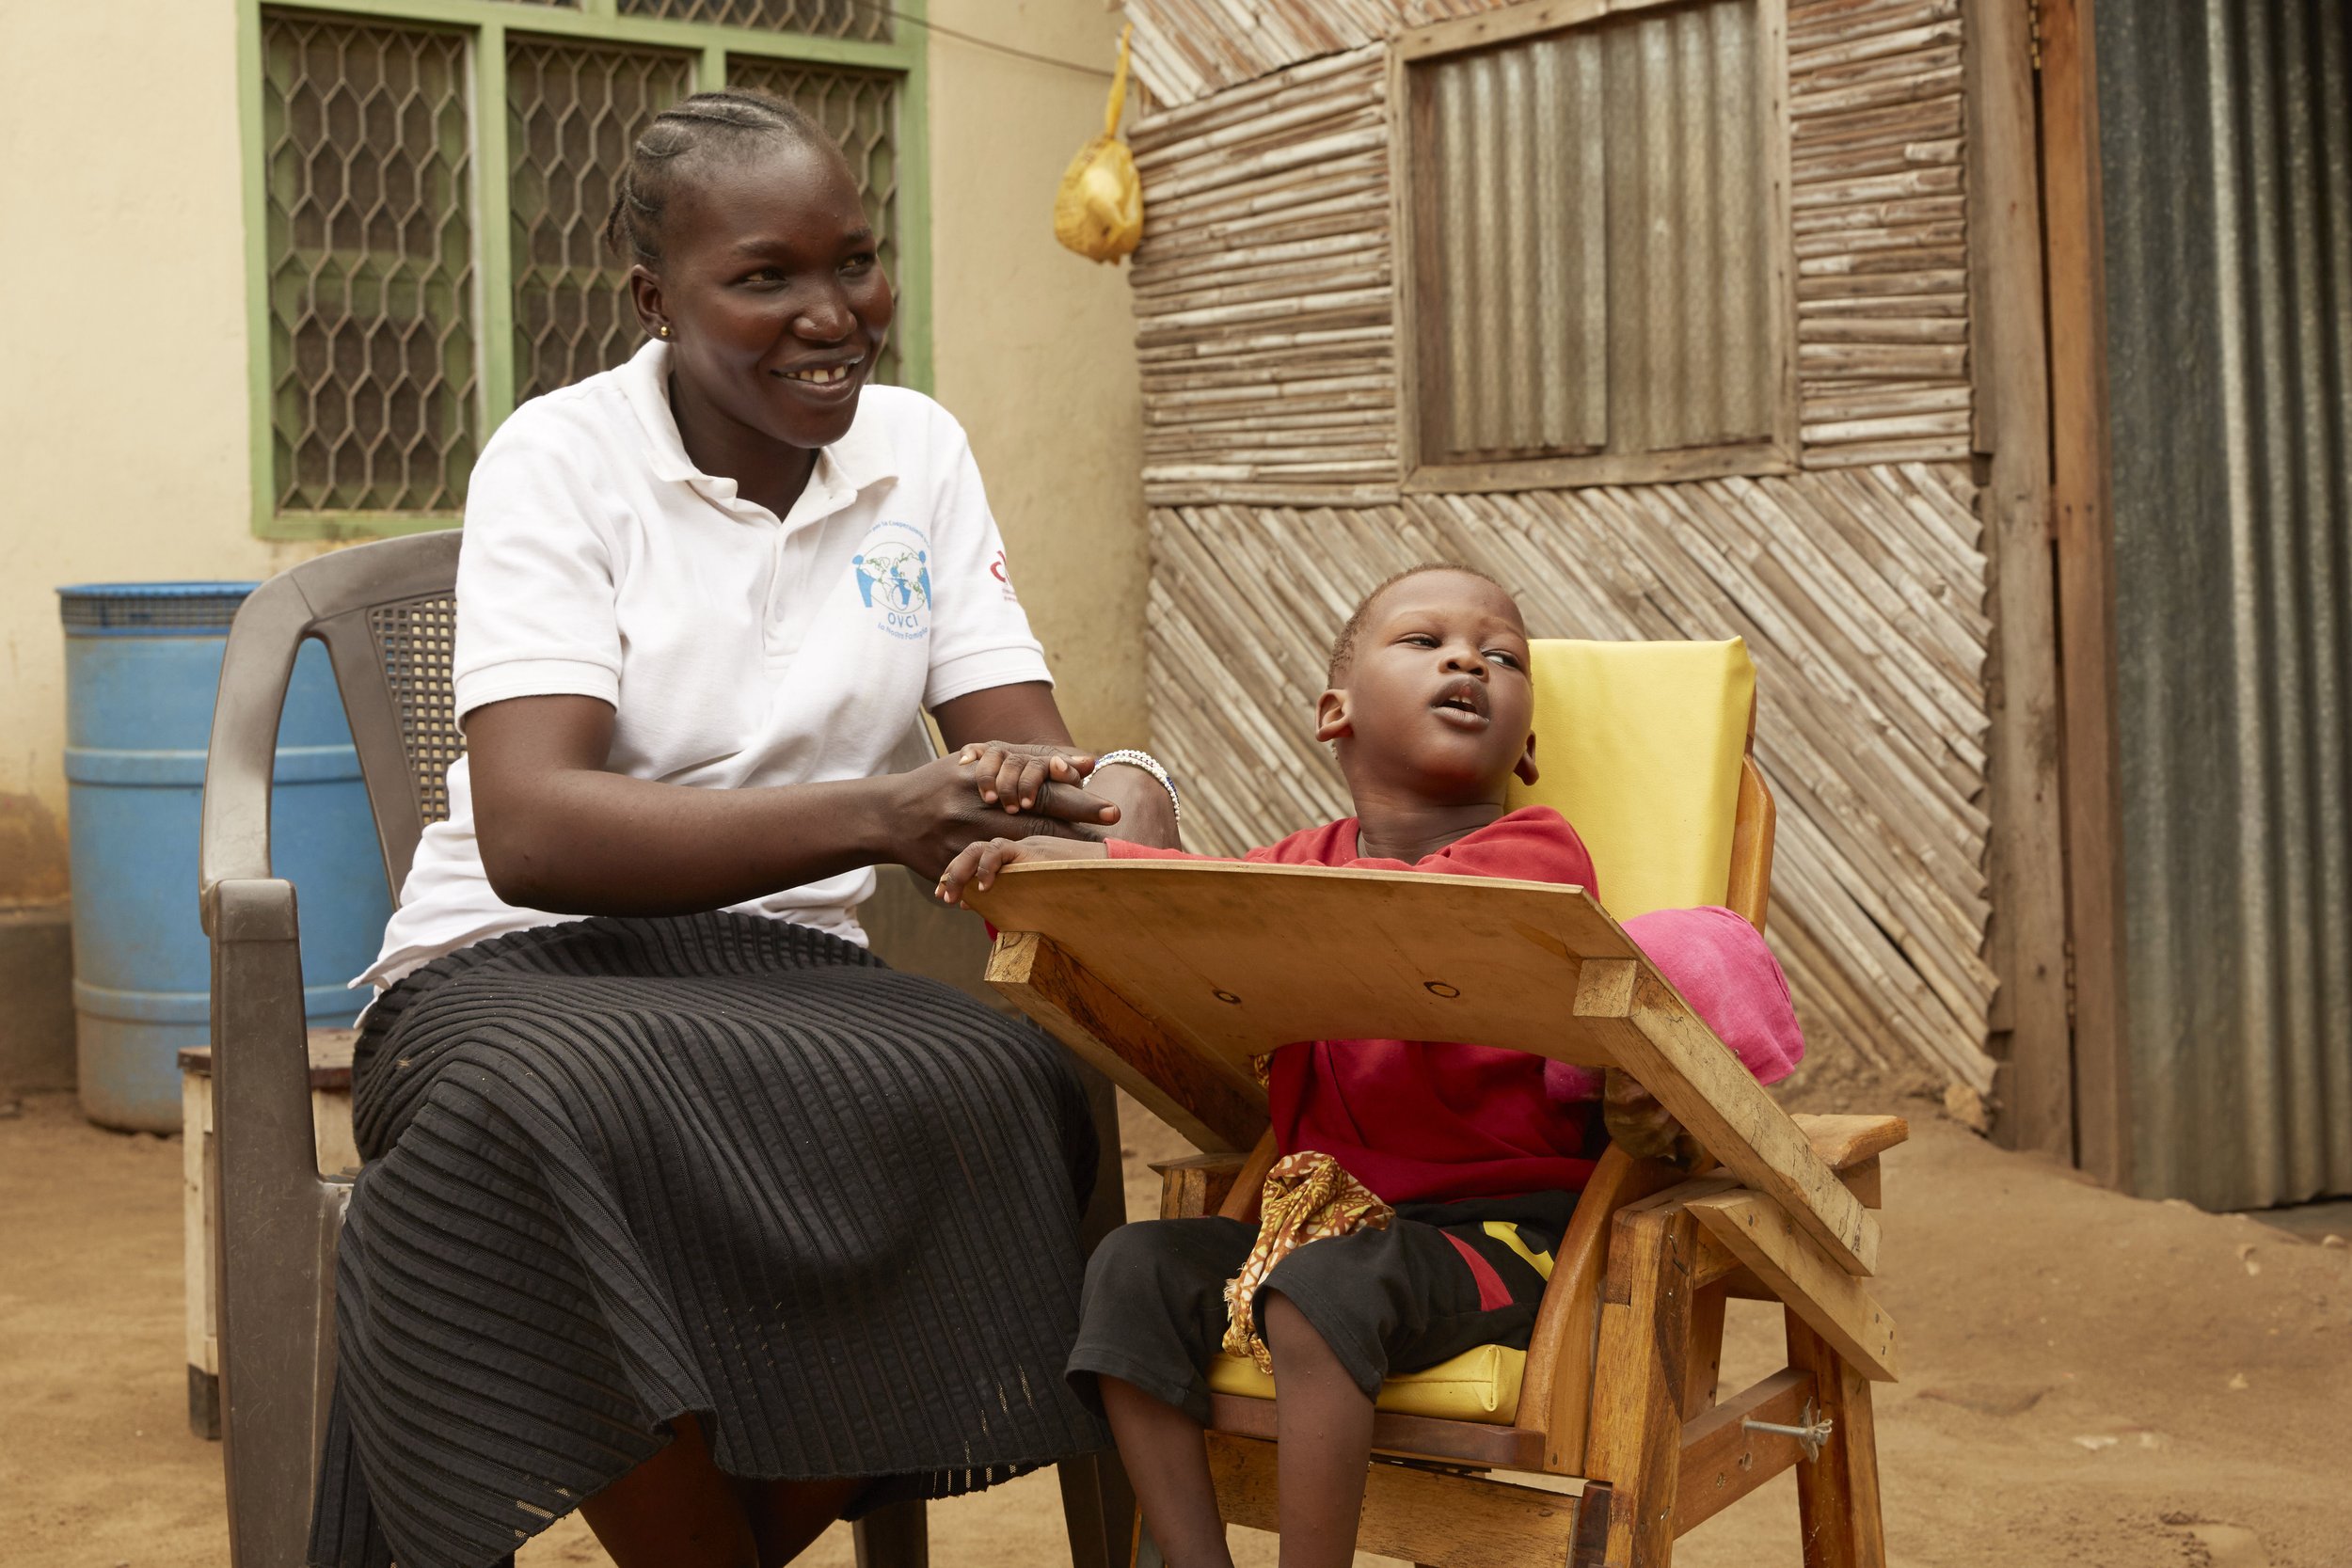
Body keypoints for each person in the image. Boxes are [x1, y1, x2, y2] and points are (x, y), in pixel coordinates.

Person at [309, 90, 1181, 1568]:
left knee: (1008, 1083)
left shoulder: (918, 452)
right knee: (513, 1111)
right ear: (656, 299)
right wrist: (886, 808)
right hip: (507, 966)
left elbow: (1026, 753)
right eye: (763, 276)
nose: (829, 312)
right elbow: (531, 829)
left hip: (787, 970)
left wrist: (1123, 790)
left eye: (854, 261)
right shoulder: (561, 457)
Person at [935, 564, 1804, 1568]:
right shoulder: (1301, 861)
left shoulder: (1534, 854)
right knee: (1128, 1268)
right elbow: (1210, 905)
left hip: (1504, 1237)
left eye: (1501, 654)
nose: (1468, 657)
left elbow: (1361, 915)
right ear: (1334, 712)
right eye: (1424, 639)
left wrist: (1158, 885)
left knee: (1322, 1287)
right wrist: (1055, 870)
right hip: (1315, 1223)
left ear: (1526, 748)